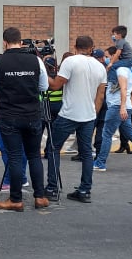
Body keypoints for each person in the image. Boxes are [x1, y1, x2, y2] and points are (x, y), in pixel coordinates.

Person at [0, 27, 49, 211]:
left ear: (5, 42)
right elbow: (43, 86)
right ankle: (40, 197)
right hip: (33, 114)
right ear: (21, 42)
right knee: (34, 155)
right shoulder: (36, 60)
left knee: (14, 157)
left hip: (9, 115)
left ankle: (16, 199)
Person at [45, 36, 107, 204]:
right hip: (88, 116)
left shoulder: (70, 61)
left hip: (69, 114)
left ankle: (52, 187)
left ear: (75, 46)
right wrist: (93, 112)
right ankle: (85, 190)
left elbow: (55, 85)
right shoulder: (100, 67)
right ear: (92, 47)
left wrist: (43, 73)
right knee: (86, 153)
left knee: (53, 148)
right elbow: (100, 95)